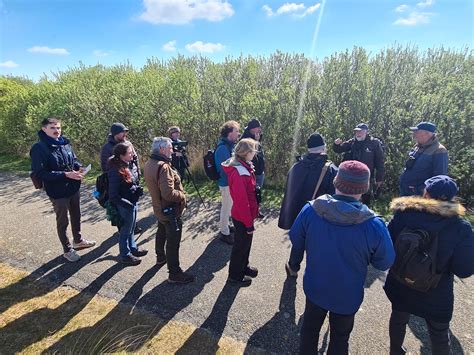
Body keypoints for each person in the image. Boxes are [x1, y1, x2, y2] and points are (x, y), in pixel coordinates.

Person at [289, 160, 395, 354]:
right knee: (340, 338)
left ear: (336, 182)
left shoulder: (311, 209)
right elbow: (385, 261)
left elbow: (296, 240)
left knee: (309, 330)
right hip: (347, 296)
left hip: (315, 288)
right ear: (365, 188)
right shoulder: (374, 224)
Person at [384, 175, 473, 355]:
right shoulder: (459, 227)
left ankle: (395, 351)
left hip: (400, 283)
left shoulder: (403, 214)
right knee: (439, 334)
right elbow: (464, 270)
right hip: (436, 292)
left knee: (399, 318)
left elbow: (387, 247)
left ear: (426, 193)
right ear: (452, 198)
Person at [30, 118, 96, 262]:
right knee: (63, 221)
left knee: (76, 215)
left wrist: (79, 167)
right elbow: (40, 173)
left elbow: (73, 160)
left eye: (59, 127)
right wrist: (66, 174)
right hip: (57, 191)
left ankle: (78, 241)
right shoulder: (39, 148)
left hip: (73, 187)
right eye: (53, 127)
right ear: (44, 129)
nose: (57, 130)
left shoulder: (64, 143)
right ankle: (67, 250)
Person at [279, 133, 338, 277]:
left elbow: (288, 190)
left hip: (298, 214)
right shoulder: (331, 170)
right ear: (323, 147)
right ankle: (314, 274)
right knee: (318, 245)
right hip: (320, 215)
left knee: (299, 242)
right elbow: (335, 197)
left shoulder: (297, 166)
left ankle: (293, 268)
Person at [144, 137, 195, 284]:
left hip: (159, 208)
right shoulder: (163, 167)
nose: (172, 150)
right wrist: (182, 196)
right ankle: (175, 274)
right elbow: (168, 193)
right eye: (170, 147)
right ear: (161, 149)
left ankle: (160, 257)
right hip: (170, 210)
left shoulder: (150, 163)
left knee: (161, 231)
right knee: (173, 242)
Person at [221, 138, 260, 286]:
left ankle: (244, 266)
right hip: (243, 216)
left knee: (246, 244)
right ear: (247, 153)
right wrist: (249, 224)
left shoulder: (245, 166)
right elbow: (242, 202)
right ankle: (235, 276)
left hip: (246, 215)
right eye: (253, 150)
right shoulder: (239, 172)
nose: (255, 153)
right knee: (240, 246)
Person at [107, 142, 147, 265]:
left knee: (131, 229)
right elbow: (113, 195)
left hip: (132, 202)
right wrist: (127, 204)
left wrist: (136, 189)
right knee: (125, 231)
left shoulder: (128, 164)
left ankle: (133, 249)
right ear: (121, 155)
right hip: (124, 205)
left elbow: (130, 183)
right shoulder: (115, 170)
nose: (132, 154)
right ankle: (125, 255)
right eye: (129, 153)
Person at [100, 122, 142, 234]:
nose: (124, 134)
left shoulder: (128, 143)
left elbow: (135, 158)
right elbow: (105, 167)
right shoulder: (107, 148)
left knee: (133, 203)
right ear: (115, 134)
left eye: (125, 131)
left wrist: (138, 172)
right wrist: (118, 175)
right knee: (121, 207)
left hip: (132, 179)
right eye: (121, 132)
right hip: (118, 182)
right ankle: (122, 230)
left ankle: (134, 226)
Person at [333, 123, 385, 205]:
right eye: (356, 132)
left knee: (366, 198)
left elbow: (380, 161)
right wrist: (336, 144)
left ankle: (365, 214)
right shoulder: (352, 142)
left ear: (366, 132)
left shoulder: (374, 143)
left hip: (367, 176)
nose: (358, 134)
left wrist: (379, 178)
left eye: (360, 131)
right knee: (351, 197)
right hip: (352, 175)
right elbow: (339, 149)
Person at [399, 122, 448, 196]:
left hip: (420, 196)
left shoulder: (439, 150)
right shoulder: (417, 146)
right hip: (406, 192)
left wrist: (420, 190)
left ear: (427, 134)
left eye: (417, 132)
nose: (414, 135)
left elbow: (439, 178)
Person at [215, 120, 241, 245]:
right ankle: (224, 233)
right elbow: (224, 169)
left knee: (229, 207)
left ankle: (227, 226)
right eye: (236, 131)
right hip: (226, 183)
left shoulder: (229, 146)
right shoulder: (222, 148)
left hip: (230, 182)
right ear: (230, 133)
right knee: (226, 208)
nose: (238, 133)